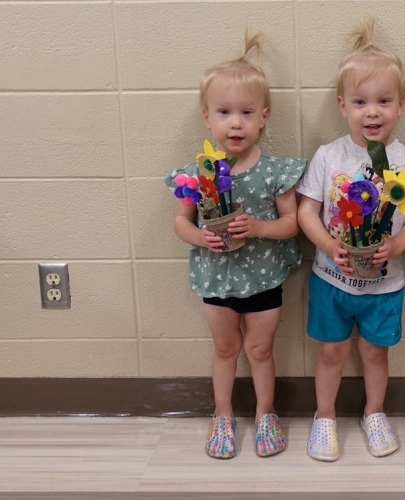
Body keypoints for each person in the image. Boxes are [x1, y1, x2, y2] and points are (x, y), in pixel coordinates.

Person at [163, 29, 306, 459]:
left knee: (260, 350)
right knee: (225, 349)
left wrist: (259, 228)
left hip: (263, 280)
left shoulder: (275, 171)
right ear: (207, 117)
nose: (236, 123)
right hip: (217, 279)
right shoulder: (196, 173)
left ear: (264, 116)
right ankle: (222, 414)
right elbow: (180, 222)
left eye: (246, 112)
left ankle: (265, 413)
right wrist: (200, 236)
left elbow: (292, 223)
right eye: (224, 112)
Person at [296, 16, 405, 462]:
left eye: (384, 101)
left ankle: (374, 412)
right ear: (342, 106)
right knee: (331, 354)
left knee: (375, 354)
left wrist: (398, 245)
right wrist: (327, 244)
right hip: (330, 280)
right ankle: (325, 417)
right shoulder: (328, 156)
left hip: (385, 285)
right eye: (360, 102)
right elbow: (306, 212)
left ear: (401, 105)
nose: (372, 112)